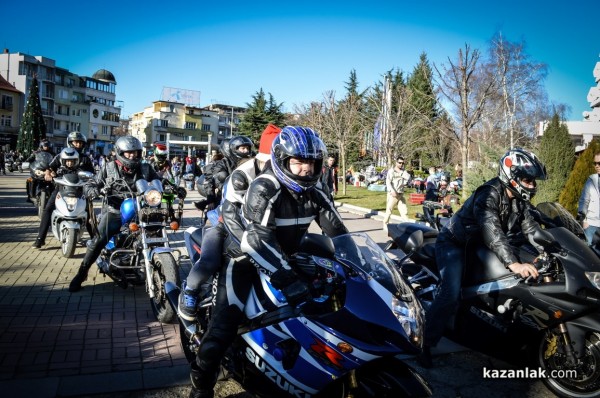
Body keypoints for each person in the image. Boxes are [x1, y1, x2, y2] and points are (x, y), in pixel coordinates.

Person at [187, 126, 348, 398]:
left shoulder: (317, 188)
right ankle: (201, 387)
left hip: (286, 257)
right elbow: (255, 241)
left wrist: (360, 266)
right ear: (282, 160)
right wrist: (287, 278)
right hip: (242, 258)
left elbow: (339, 231)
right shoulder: (266, 186)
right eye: (298, 162)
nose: (306, 170)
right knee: (222, 329)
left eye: (312, 163)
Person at [418, 148, 544, 368]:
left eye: (533, 181)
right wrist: (514, 263)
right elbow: (491, 230)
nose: (532, 185)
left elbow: (531, 228)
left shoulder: (518, 201)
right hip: (455, 244)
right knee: (450, 292)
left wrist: (548, 247)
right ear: (511, 176)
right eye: (527, 180)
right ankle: (424, 344)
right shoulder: (489, 193)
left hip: (477, 246)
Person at [178, 125, 280, 321]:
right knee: (210, 260)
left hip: (258, 228)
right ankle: (189, 291)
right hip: (222, 224)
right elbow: (230, 211)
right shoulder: (241, 174)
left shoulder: (280, 177)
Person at [68, 136, 160, 292]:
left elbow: (159, 180)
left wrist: (172, 187)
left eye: (135, 153)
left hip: (140, 210)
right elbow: (92, 183)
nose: (132, 156)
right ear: (119, 152)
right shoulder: (108, 167)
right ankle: (82, 273)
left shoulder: (145, 168)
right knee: (99, 239)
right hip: (115, 210)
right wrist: (93, 190)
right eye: (128, 153)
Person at [32, 147, 95, 248]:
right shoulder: (59, 157)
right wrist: (48, 173)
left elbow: (93, 174)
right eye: (67, 161)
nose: (69, 163)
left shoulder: (83, 160)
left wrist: (91, 178)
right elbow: (49, 168)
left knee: (88, 212)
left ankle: (95, 239)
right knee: (48, 209)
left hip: (79, 190)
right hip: (60, 189)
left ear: (76, 160)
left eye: (72, 161)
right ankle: (40, 238)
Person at [194, 136, 253, 212]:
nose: (246, 151)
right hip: (226, 198)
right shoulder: (222, 163)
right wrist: (210, 200)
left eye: (247, 148)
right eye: (243, 148)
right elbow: (210, 181)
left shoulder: (247, 161)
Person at [382, 156, 412, 231]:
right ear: (396, 162)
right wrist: (392, 191)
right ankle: (385, 225)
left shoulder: (403, 171)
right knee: (389, 210)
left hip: (400, 194)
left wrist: (401, 173)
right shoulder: (391, 171)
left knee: (404, 211)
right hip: (393, 194)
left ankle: (408, 226)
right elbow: (388, 182)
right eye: (399, 163)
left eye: (402, 163)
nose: (401, 164)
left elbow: (408, 178)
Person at [577, 152, 600, 245]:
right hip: (591, 225)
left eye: (599, 163)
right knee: (590, 256)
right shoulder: (591, 180)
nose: (597, 166)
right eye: (595, 163)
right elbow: (584, 200)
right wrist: (584, 221)